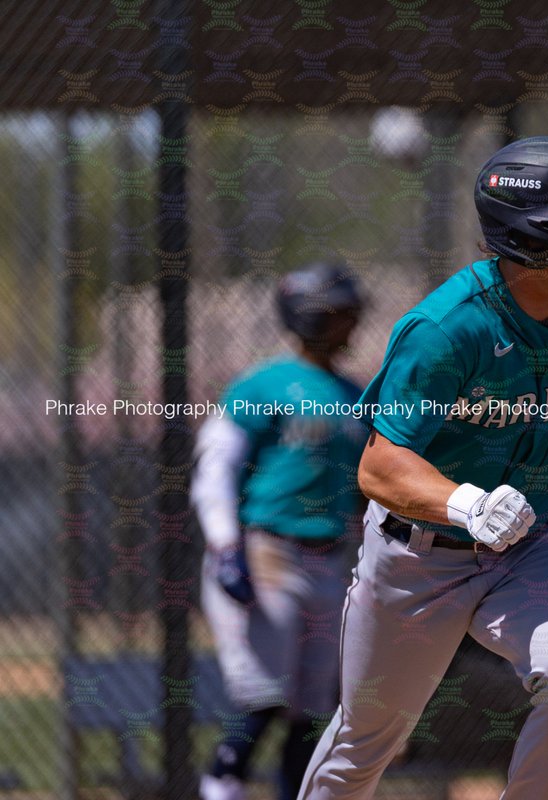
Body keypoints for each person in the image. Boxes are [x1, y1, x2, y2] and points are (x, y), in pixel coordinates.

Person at [299, 136, 548, 800]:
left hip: (533, 546)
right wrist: (465, 503)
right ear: (526, 238)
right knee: (368, 740)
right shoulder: (447, 330)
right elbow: (380, 467)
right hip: (417, 560)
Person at [192, 263, 369, 800]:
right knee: (263, 697)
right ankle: (221, 787)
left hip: (330, 557)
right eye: (337, 313)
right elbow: (215, 470)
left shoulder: (353, 391)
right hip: (268, 552)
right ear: (309, 318)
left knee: (310, 708)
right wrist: (226, 547)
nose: (349, 323)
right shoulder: (263, 383)